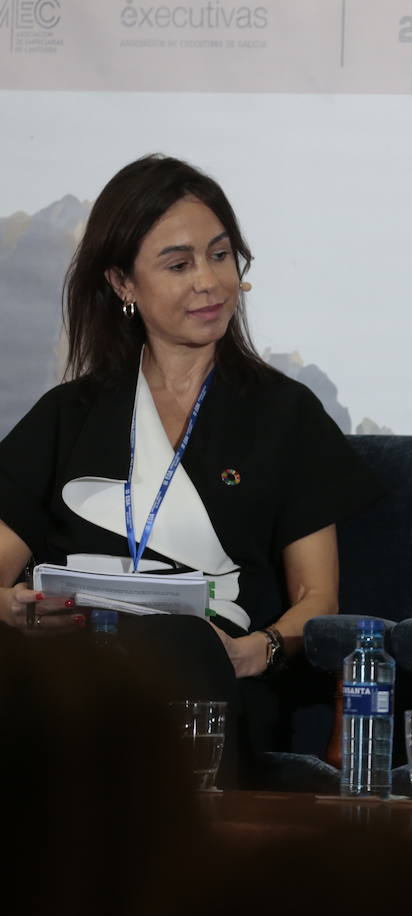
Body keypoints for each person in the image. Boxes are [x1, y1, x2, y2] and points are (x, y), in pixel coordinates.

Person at [0, 154, 380, 775]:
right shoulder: (70, 413)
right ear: (123, 283)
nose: (208, 281)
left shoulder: (285, 414)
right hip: (72, 669)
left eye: (221, 255)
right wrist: (16, 610)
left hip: (212, 673)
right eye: (178, 264)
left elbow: (318, 598)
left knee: (179, 643)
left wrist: (256, 652)